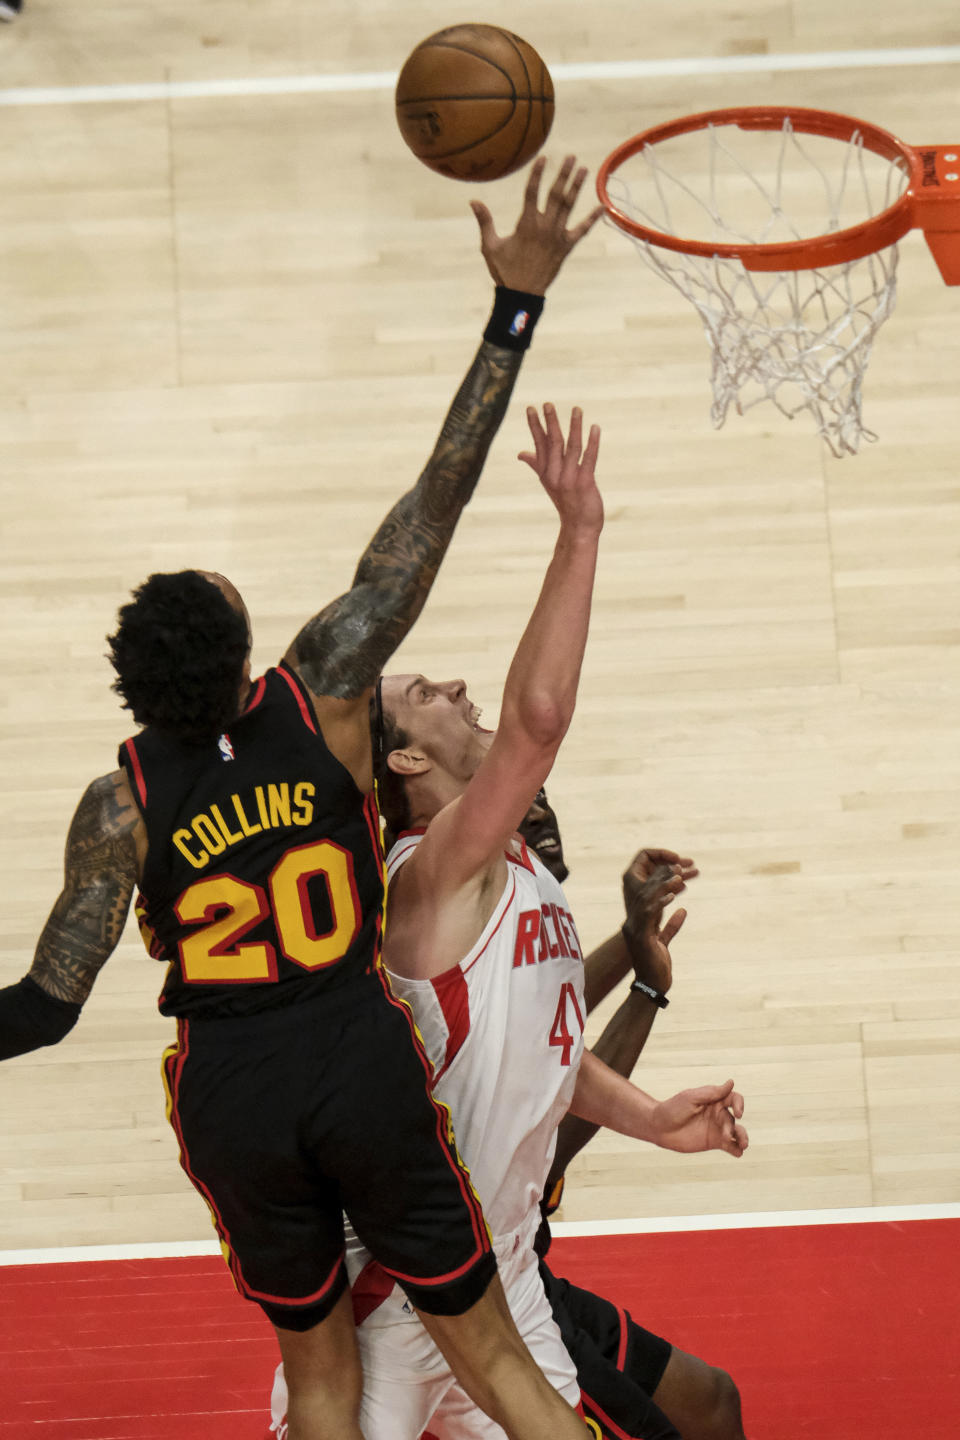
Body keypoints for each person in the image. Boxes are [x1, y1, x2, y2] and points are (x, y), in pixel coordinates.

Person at [0, 159, 603, 1440]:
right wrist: (514, 309)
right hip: (352, 1052)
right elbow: (435, 500)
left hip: (230, 1089)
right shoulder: (324, 692)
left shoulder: (121, 806)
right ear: (234, 654)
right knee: (492, 1353)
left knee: (323, 1380)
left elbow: (44, 1010)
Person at [270, 402, 747, 1438]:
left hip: (505, 1285)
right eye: (427, 692)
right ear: (402, 761)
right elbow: (539, 721)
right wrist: (579, 535)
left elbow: (533, 1052)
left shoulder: (524, 872)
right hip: (394, 1298)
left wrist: (648, 1117)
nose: (458, 687)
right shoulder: (421, 877)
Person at [524, 821, 748, 1440]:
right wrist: (645, 990)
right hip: (490, 1306)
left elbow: (548, 1016)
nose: (541, 811)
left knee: (712, 1402)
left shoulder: (511, 904)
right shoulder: (435, 910)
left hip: (525, 1272)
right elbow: (555, 1134)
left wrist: (633, 943)